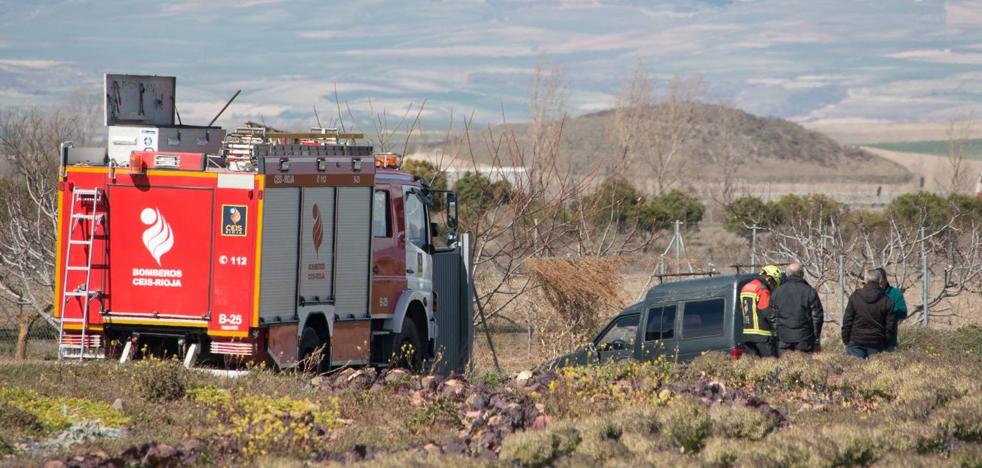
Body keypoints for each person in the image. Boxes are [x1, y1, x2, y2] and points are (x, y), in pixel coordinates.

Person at [771, 263, 824, 353]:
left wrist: (777, 335)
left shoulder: (777, 292)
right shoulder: (809, 291)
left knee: (785, 366)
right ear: (802, 274)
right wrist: (816, 339)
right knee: (803, 366)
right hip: (804, 339)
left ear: (787, 274)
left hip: (784, 339)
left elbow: (772, 318)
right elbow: (817, 318)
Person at [842, 269, 896, 359]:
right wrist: (886, 343)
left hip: (856, 340)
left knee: (855, 371)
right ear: (880, 281)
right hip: (876, 342)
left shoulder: (855, 297)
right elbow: (890, 326)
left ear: (865, 280)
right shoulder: (886, 300)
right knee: (875, 371)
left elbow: (847, 320)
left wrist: (846, 340)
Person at [740, 265, 782, 357]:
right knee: (769, 366)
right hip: (762, 336)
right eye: (774, 283)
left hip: (747, 335)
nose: (773, 287)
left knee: (754, 367)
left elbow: (742, 308)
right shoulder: (762, 289)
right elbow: (767, 311)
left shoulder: (746, 287)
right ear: (769, 278)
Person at [875, 267, 908, 350]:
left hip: (889, 338)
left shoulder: (895, 293)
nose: (878, 285)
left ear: (885, 280)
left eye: (881, 283)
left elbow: (903, 312)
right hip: (871, 339)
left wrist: (888, 313)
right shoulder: (868, 294)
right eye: (876, 283)